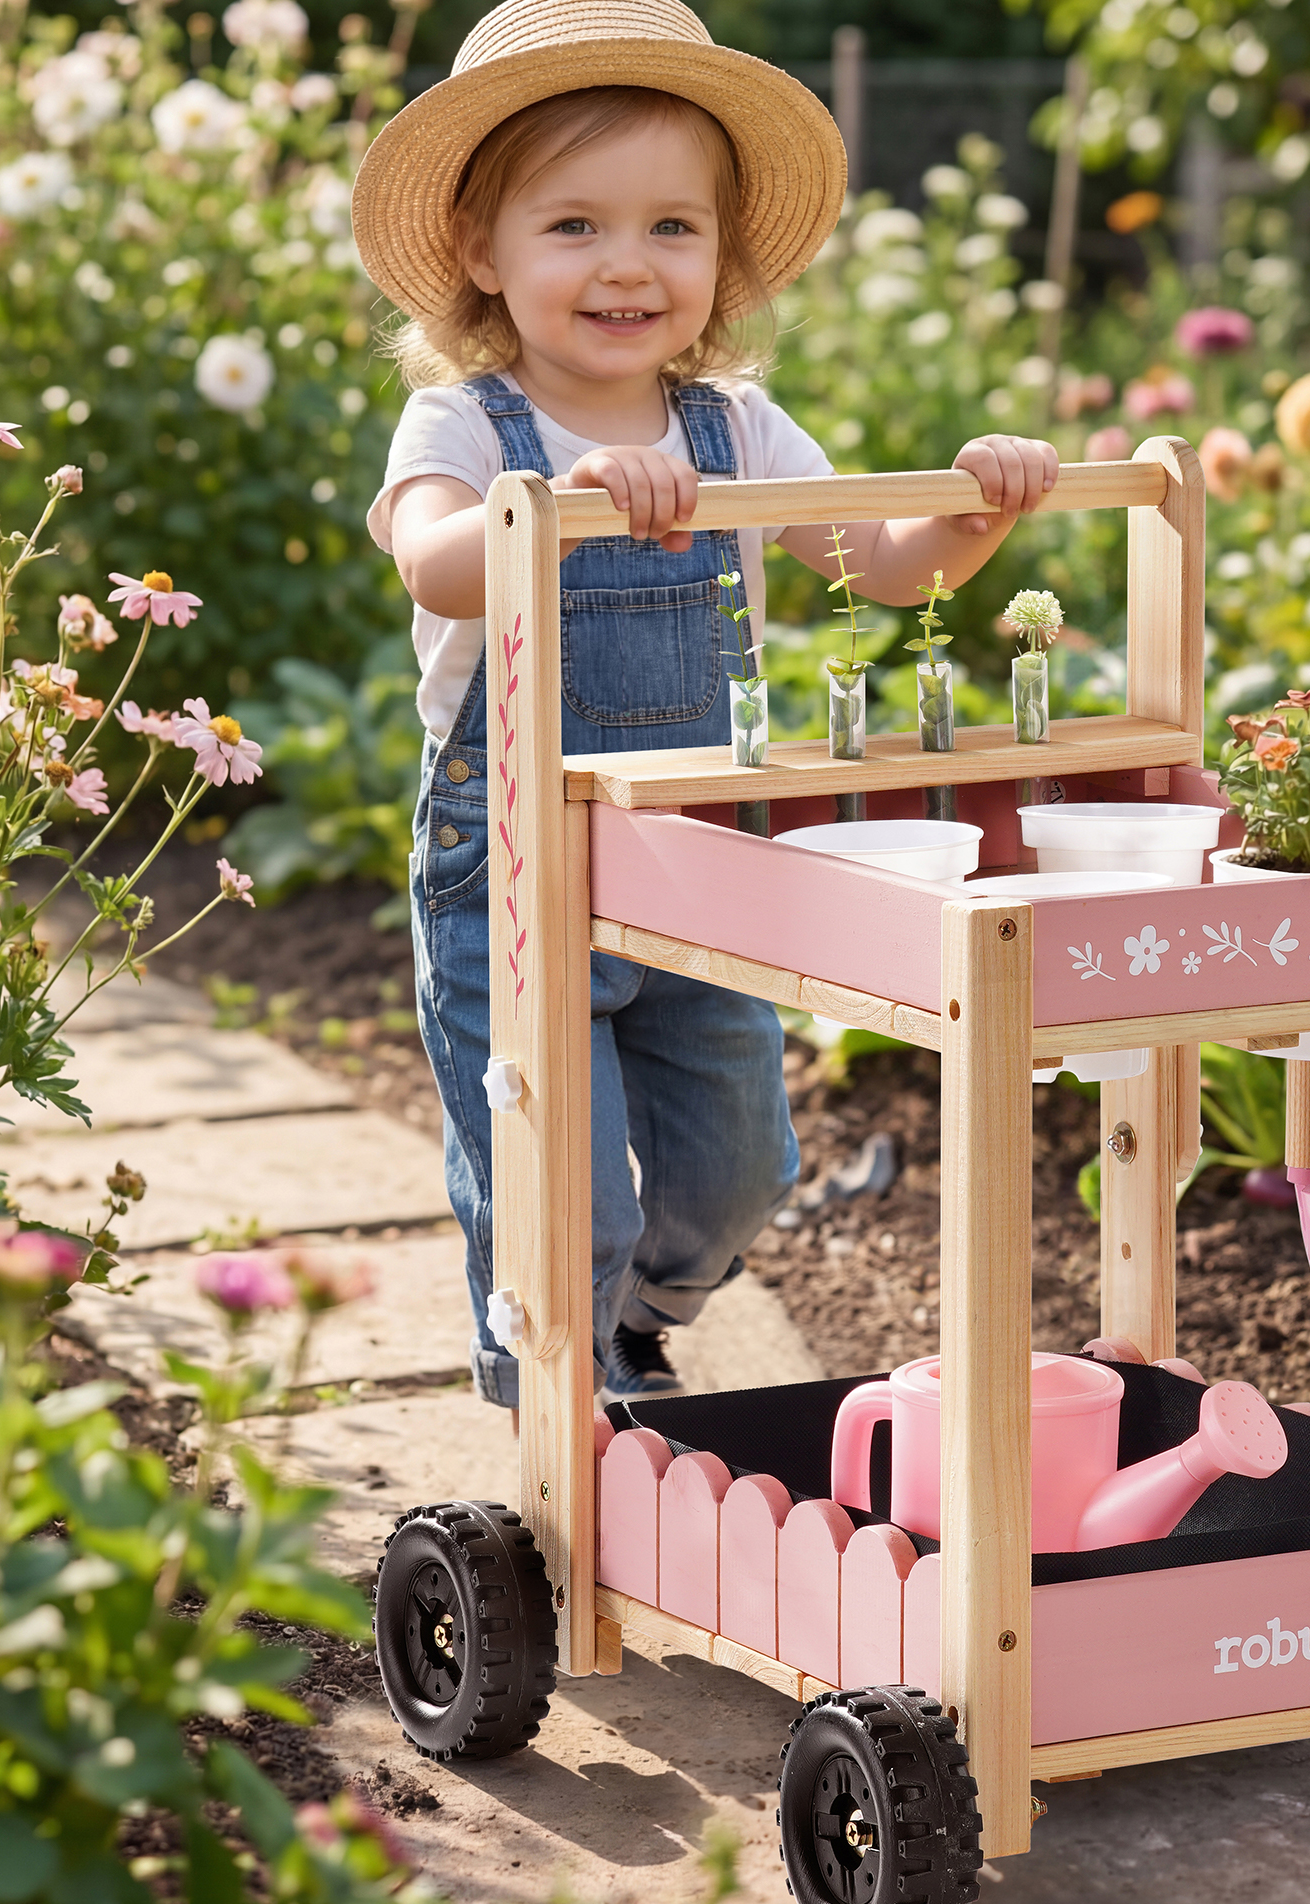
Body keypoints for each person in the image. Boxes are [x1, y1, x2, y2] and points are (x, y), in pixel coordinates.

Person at [354, 0, 1059, 1416]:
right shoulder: (467, 429)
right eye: (574, 228)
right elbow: (435, 566)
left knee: (747, 1167)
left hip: (700, 862)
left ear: (722, 257)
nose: (629, 265)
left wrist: (980, 507)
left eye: (673, 228)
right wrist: (558, 510)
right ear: (482, 254)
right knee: (567, 1191)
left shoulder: (735, 429)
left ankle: (647, 1315)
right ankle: (560, 1386)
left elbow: (887, 559)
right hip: (516, 871)